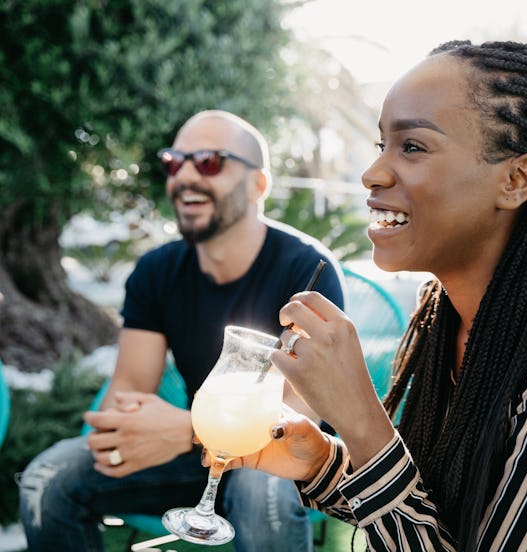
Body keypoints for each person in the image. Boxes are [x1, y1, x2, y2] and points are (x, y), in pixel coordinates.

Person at [229, 41, 527, 551]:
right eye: (381, 145)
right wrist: (322, 463)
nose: (373, 173)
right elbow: (442, 521)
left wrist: (361, 417)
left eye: (412, 147)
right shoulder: (444, 312)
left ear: (517, 179)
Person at [18, 110, 344, 552]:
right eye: (175, 162)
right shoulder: (156, 270)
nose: (185, 175)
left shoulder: (308, 270)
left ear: (258, 185)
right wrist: (134, 432)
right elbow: (129, 393)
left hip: (267, 459)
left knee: (260, 489)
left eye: (209, 161)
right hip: (187, 456)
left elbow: (296, 417)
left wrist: (187, 429)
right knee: (47, 478)